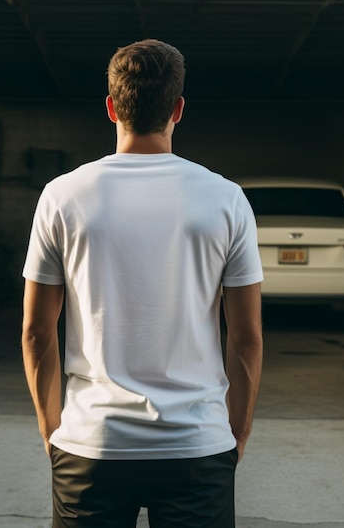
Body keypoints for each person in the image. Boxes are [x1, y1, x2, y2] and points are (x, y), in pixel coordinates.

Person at [22, 39, 263, 528]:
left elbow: (36, 331)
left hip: (91, 443)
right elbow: (246, 337)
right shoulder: (227, 199)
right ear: (178, 109)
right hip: (197, 445)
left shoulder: (61, 196)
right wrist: (236, 431)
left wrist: (53, 429)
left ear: (111, 107)